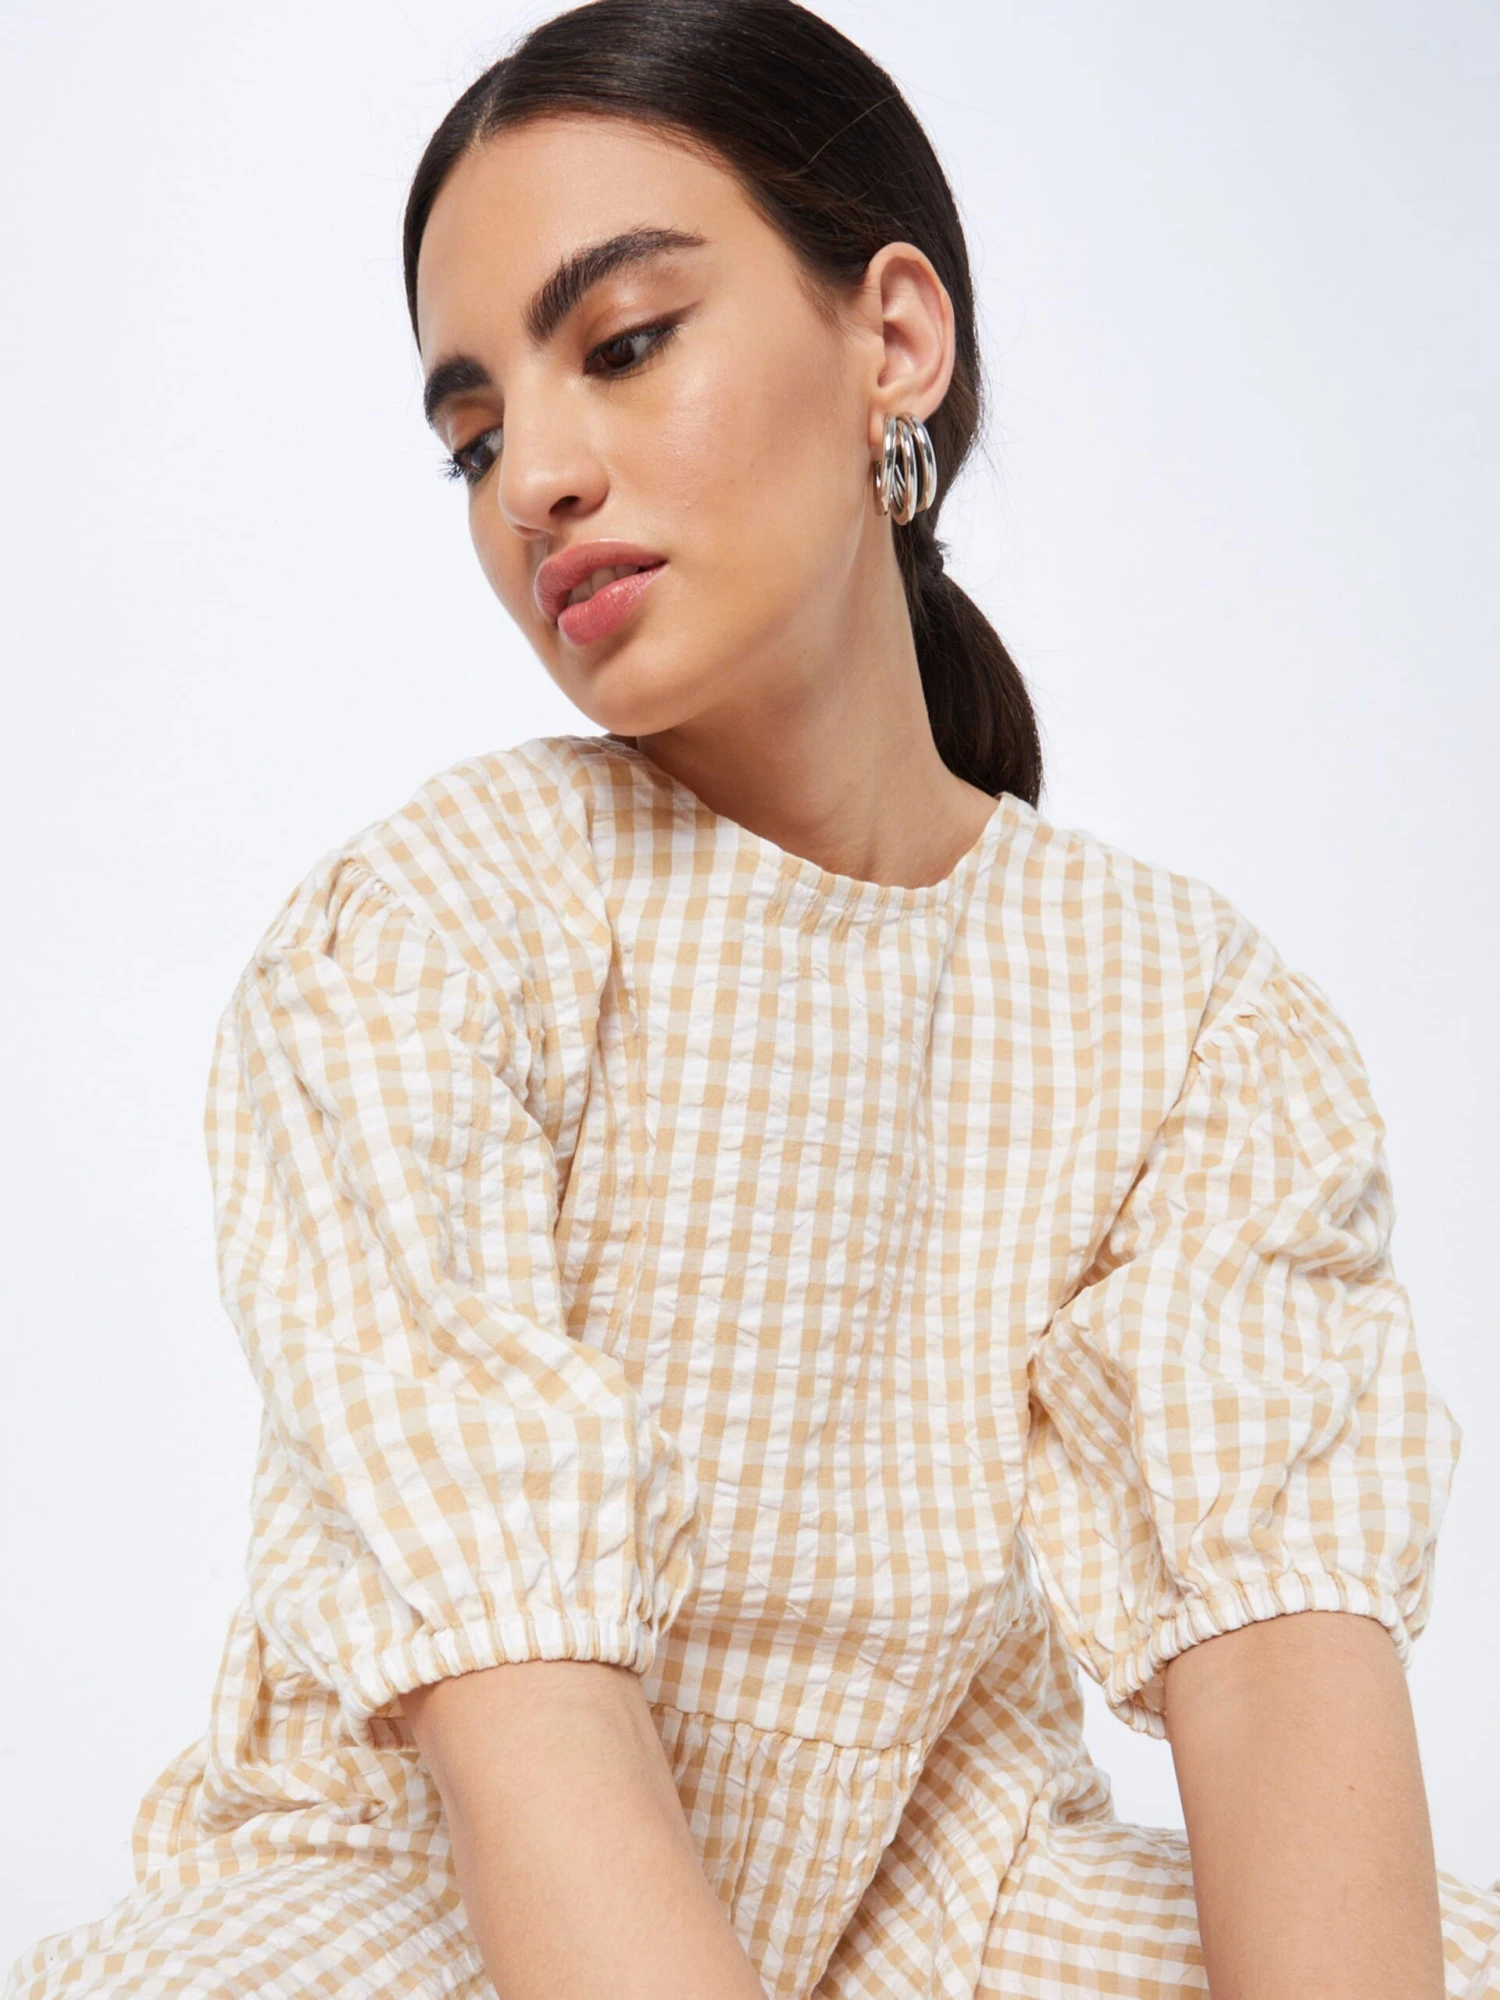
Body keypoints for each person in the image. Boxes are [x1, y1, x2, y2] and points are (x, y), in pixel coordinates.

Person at [7, 2, 1497, 1996]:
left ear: (894, 340)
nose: (534, 479)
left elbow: (1287, 1684)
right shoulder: (430, 934)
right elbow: (520, 1710)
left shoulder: (1189, 1017)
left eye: (624, 342)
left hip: (949, 1911)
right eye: (474, 435)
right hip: (442, 1906)